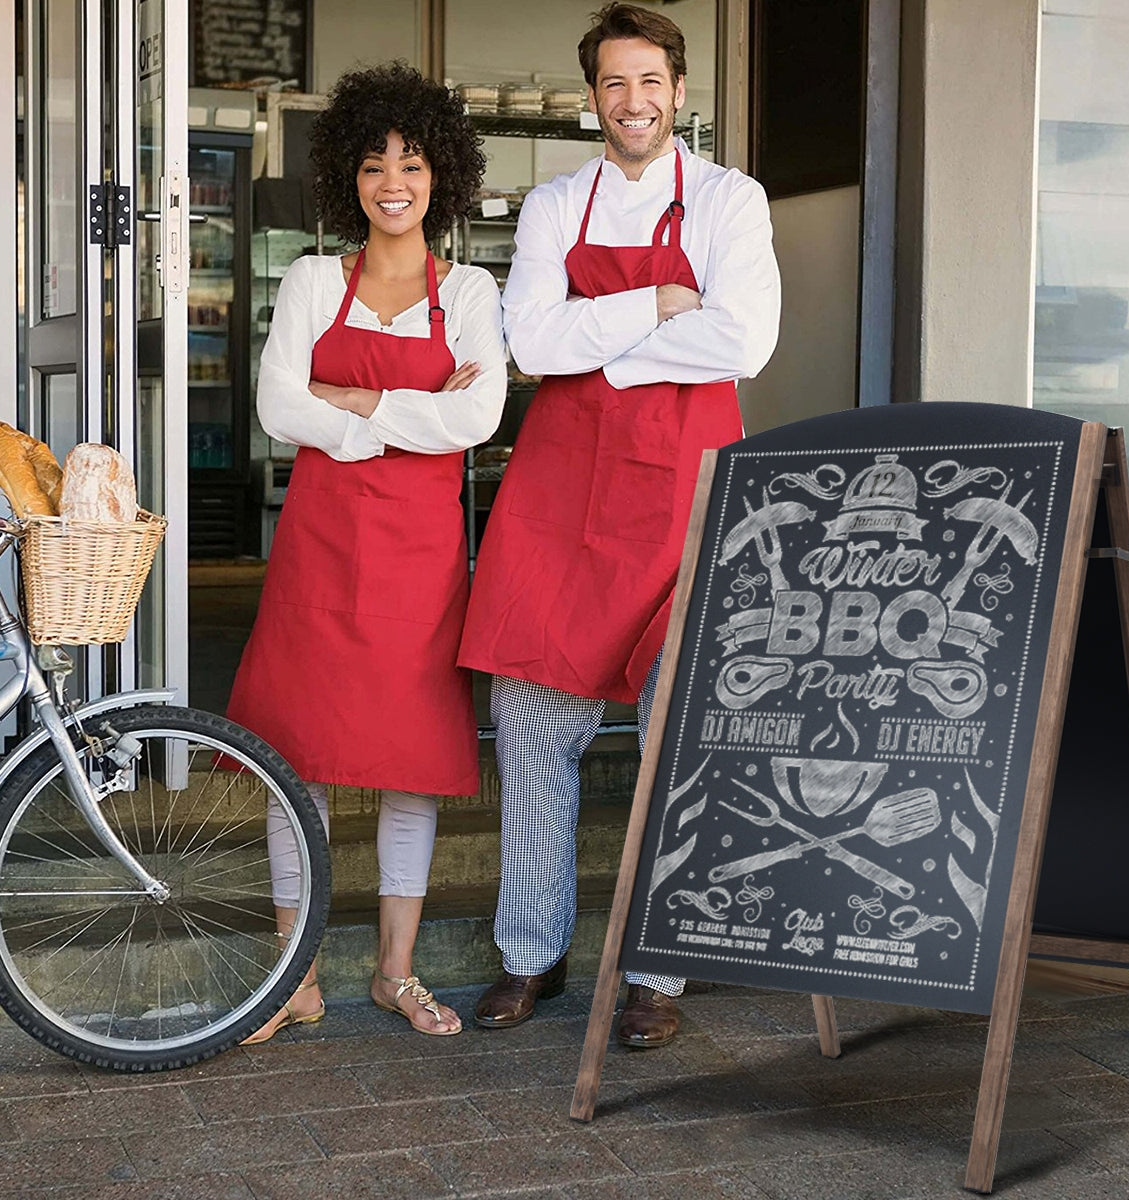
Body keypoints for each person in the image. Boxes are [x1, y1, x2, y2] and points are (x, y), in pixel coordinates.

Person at [458, 3, 780, 1047]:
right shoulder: (556, 203)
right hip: (562, 494)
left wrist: (606, 349)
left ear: (679, 92)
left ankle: (658, 974)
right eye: (612, 83)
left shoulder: (732, 200)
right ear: (592, 96)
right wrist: (657, 309)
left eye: (650, 82)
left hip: (684, 496)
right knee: (531, 721)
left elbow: (750, 340)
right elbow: (532, 344)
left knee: (676, 734)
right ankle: (529, 956)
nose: (632, 101)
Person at [227, 62, 505, 1042]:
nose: (394, 180)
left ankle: (395, 972)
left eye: (414, 161)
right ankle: (292, 979)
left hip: (420, 558)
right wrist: (405, 417)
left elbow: (480, 412)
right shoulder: (311, 279)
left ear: (444, 176)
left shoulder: (468, 290)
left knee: (411, 762)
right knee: (294, 755)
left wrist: (355, 404)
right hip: (318, 545)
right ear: (350, 172)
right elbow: (275, 407)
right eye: (377, 161)